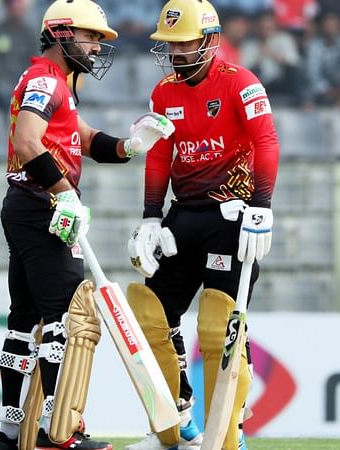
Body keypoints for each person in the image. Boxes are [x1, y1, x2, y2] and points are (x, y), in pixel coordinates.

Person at [0, 1, 174, 450]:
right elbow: (27, 141)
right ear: (61, 34)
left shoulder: (59, 85)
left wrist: (131, 146)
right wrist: (64, 193)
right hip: (41, 209)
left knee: (24, 321)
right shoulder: (43, 80)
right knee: (68, 319)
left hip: (29, 206)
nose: (96, 47)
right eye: (91, 37)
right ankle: (59, 433)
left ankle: (10, 434)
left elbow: (85, 140)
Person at [124, 1, 279, 450]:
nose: (174, 52)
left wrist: (263, 205)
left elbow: (265, 142)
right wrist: (152, 215)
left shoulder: (241, 84)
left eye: (183, 42)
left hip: (233, 218)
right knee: (150, 313)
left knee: (221, 323)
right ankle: (180, 421)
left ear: (210, 41)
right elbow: (157, 154)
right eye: (168, 44)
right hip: (183, 216)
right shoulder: (164, 93)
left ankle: (231, 435)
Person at [0, 0, 37, 110]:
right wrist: (2, 78)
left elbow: (34, 61)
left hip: (23, 79)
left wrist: (23, 80)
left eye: (19, 7)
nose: (16, 10)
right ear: (7, 8)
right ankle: (11, 124)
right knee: (4, 91)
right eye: (13, 6)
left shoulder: (29, 33)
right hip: (2, 79)